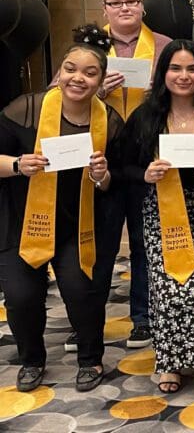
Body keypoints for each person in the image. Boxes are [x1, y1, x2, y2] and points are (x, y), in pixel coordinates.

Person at [0, 26, 123, 392]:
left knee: (82, 292)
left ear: (101, 80)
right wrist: (19, 165)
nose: (78, 78)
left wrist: (102, 176)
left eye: (89, 73)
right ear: (60, 72)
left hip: (75, 225)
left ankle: (90, 359)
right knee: (21, 297)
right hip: (21, 224)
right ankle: (32, 359)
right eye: (71, 69)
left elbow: (111, 183)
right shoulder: (26, 109)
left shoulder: (110, 122)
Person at [118, 39, 194, 393]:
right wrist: (144, 174)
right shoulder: (145, 117)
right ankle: (170, 359)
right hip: (162, 213)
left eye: (191, 69)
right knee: (168, 289)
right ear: (163, 72)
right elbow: (123, 165)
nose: (183, 76)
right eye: (175, 68)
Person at [60, 0, 172, 350]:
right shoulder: (89, 47)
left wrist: (164, 89)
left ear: (142, 7)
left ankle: (142, 317)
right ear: (104, 8)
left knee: (144, 242)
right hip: (99, 156)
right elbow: (56, 92)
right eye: (116, 2)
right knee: (99, 244)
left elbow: (188, 86)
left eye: (132, 1)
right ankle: (87, 322)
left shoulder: (163, 46)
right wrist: (95, 89)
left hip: (144, 155)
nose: (125, 8)